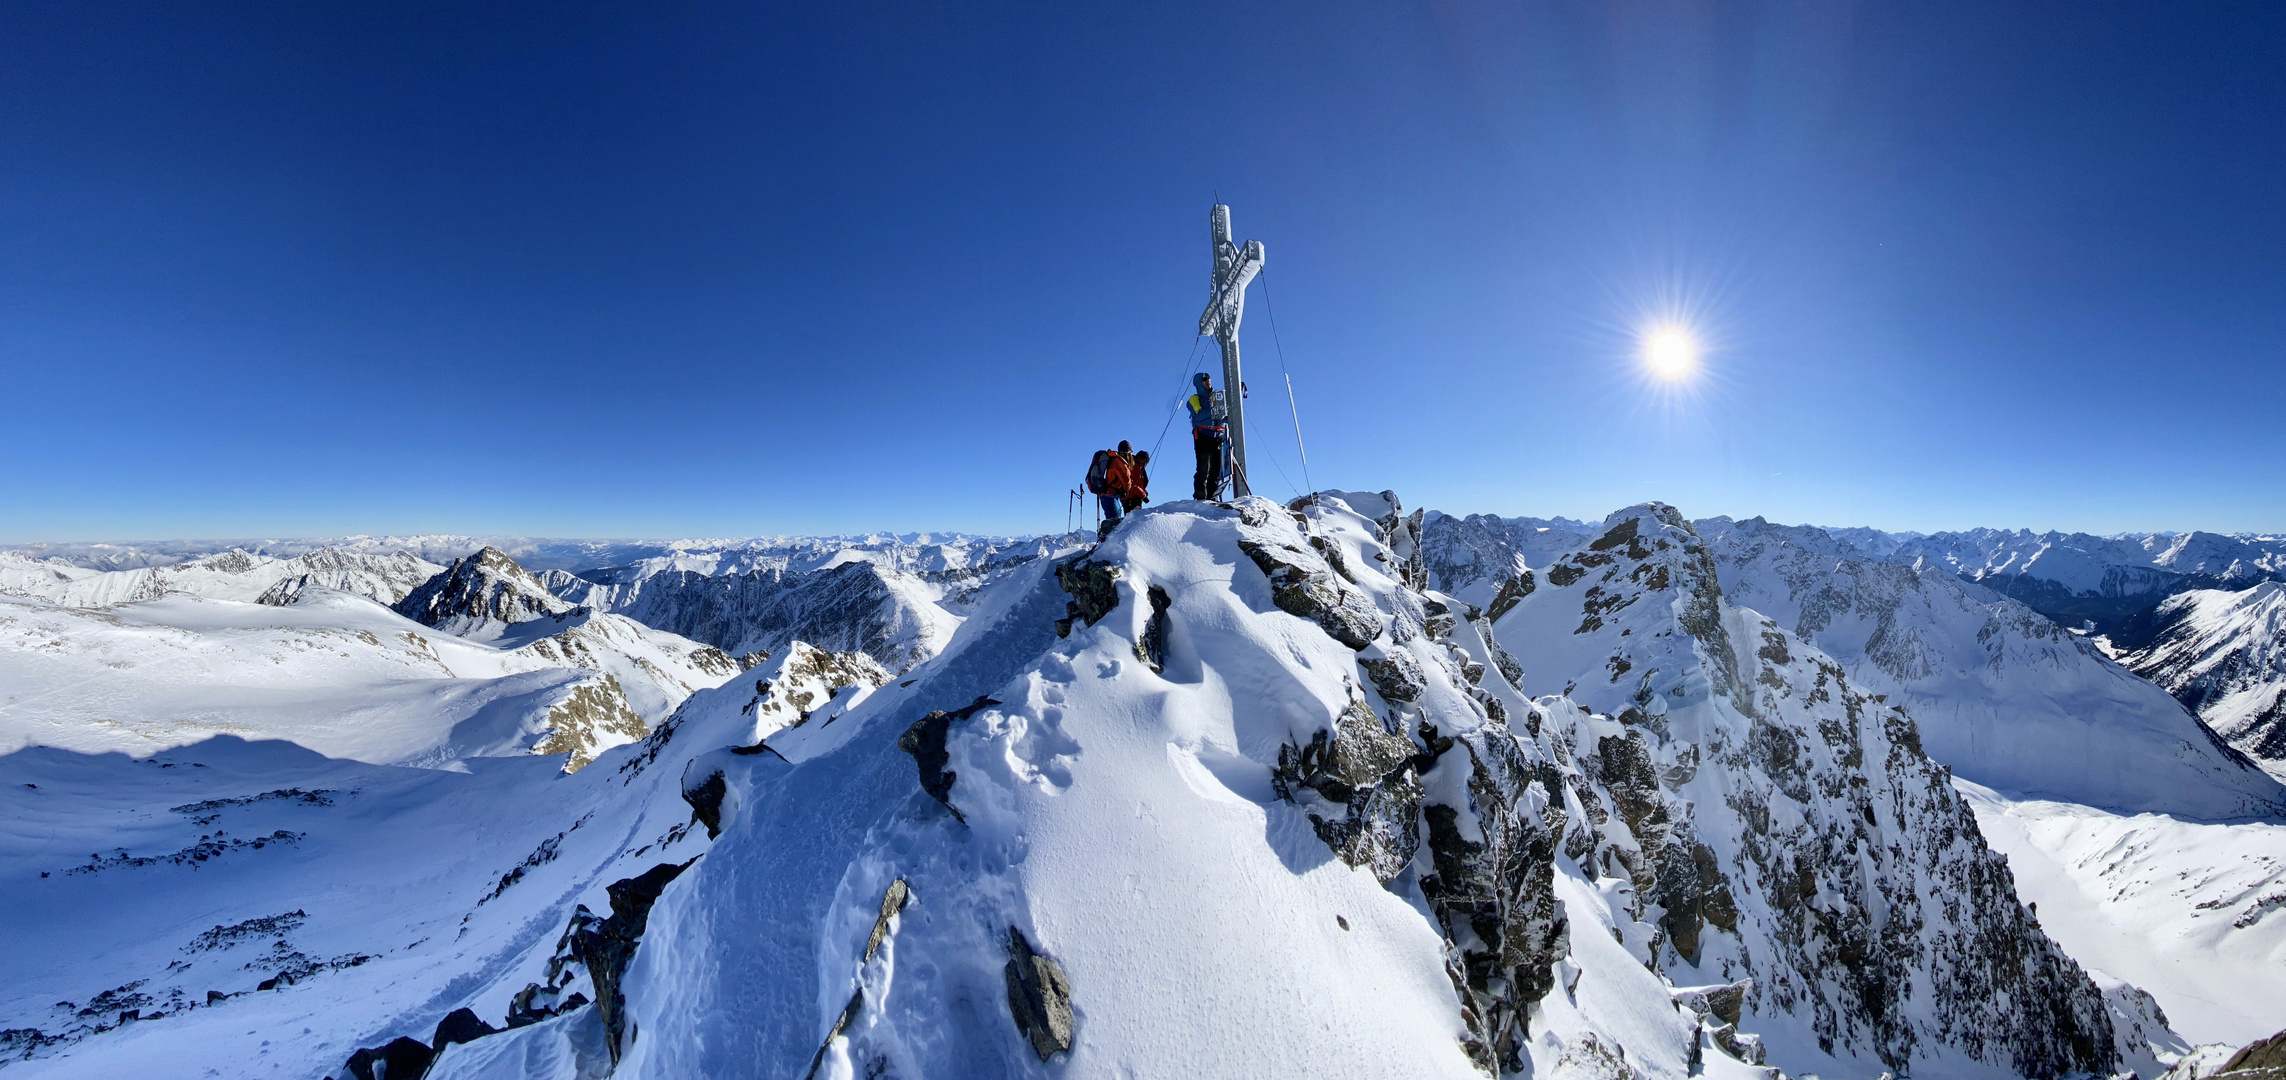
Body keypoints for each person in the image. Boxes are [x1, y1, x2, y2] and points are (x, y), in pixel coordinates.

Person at [1186, 371, 1227, 500]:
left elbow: (1221, 417)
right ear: (1199, 383)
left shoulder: (1215, 398)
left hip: (1218, 435)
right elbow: (1198, 415)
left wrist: (1225, 413)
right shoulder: (1194, 399)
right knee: (1203, 468)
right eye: (1204, 379)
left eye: (1209, 378)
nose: (1208, 380)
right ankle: (1200, 497)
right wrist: (1215, 408)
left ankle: (1211, 497)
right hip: (1203, 435)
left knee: (1216, 469)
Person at [1099, 440, 1137, 525]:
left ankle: (1107, 537)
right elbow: (1126, 480)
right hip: (1110, 496)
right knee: (1114, 524)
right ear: (1129, 453)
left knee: (1113, 522)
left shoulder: (1114, 459)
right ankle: (1107, 538)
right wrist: (1126, 490)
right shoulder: (1120, 462)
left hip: (1109, 495)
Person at [1121, 450, 1150, 514]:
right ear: (1138, 458)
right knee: (1132, 520)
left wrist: (1144, 491)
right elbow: (1130, 483)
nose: (1144, 463)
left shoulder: (1139, 468)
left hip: (1136, 498)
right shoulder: (1132, 466)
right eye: (1143, 460)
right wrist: (1142, 494)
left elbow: (1139, 483)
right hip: (1130, 498)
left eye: (1146, 461)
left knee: (1135, 519)